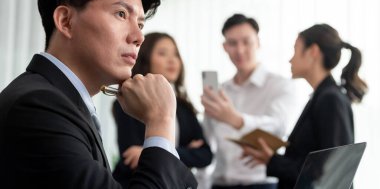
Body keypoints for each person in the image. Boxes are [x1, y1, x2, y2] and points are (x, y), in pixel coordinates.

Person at [0, 0, 197, 189]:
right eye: (121, 14)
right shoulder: (38, 105)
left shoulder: (60, 101)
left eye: (141, 24)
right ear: (66, 21)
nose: (139, 37)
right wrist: (161, 120)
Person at [241, 24, 367, 189]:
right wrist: (271, 158)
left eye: (295, 50)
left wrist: (273, 161)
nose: (290, 59)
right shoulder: (322, 96)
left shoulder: (330, 99)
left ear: (313, 51)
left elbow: (330, 174)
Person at [201, 14, 296, 189]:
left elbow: (278, 127)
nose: (240, 50)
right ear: (224, 47)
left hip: (261, 184)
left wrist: (234, 119)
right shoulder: (220, 90)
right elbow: (208, 140)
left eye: (246, 42)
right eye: (232, 43)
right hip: (219, 184)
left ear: (258, 42)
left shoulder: (280, 86)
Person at [112, 32, 213, 188]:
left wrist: (156, 150)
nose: (172, 60)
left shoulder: (184, 107)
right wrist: (187, 152)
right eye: (162, 53)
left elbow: (205, 155)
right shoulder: (128, 101)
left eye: (176, 54)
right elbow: (131, 156)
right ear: (145, 59)